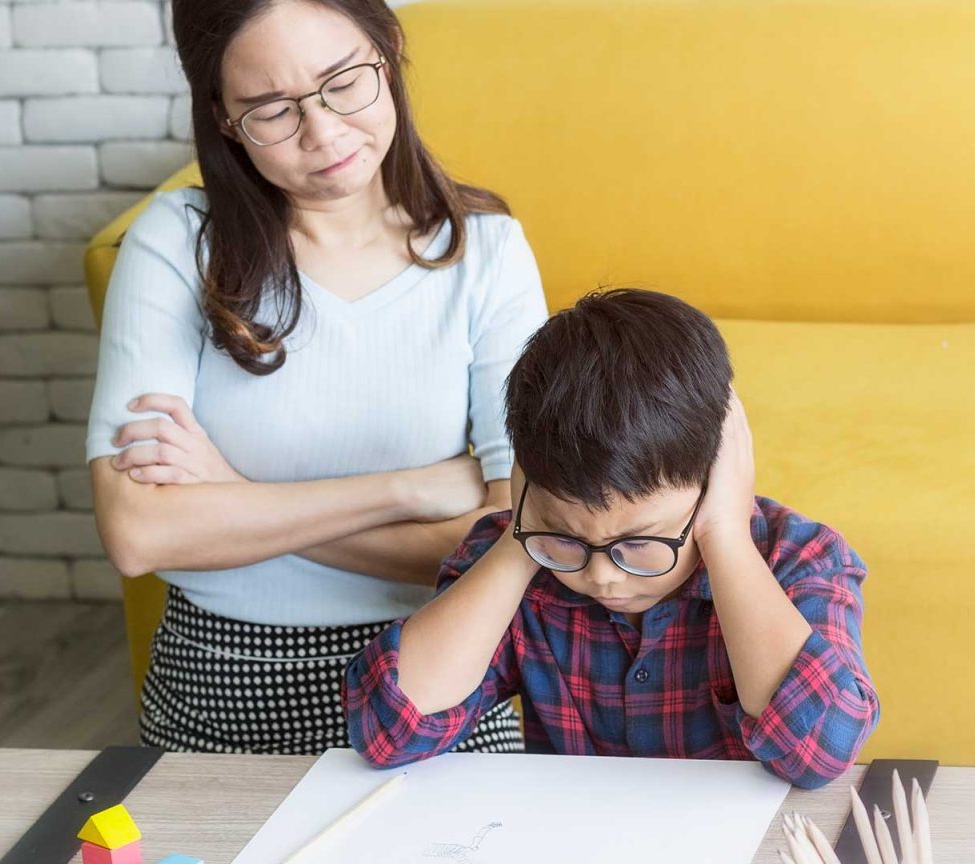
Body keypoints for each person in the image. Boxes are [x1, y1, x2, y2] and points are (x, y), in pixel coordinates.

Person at [85, 0, 546, 754]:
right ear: (223, 118)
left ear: (389, 52)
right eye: (271, 109)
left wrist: (232, 501)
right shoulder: (176, 245)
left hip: (440, 675)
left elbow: (518, 538)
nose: (324, 132)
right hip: (222, 683)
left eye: (344, 82)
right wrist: (404, 489)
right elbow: (139, 534)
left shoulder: (486, 252)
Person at [344, 290, 880, 788]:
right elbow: (387, 731)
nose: (601, 575)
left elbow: (820, 753)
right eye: (566, 538)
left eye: (640, 544)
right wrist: (521, 533)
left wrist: (726, 539)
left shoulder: (801, 558)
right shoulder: (522, 554)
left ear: (716, 478)